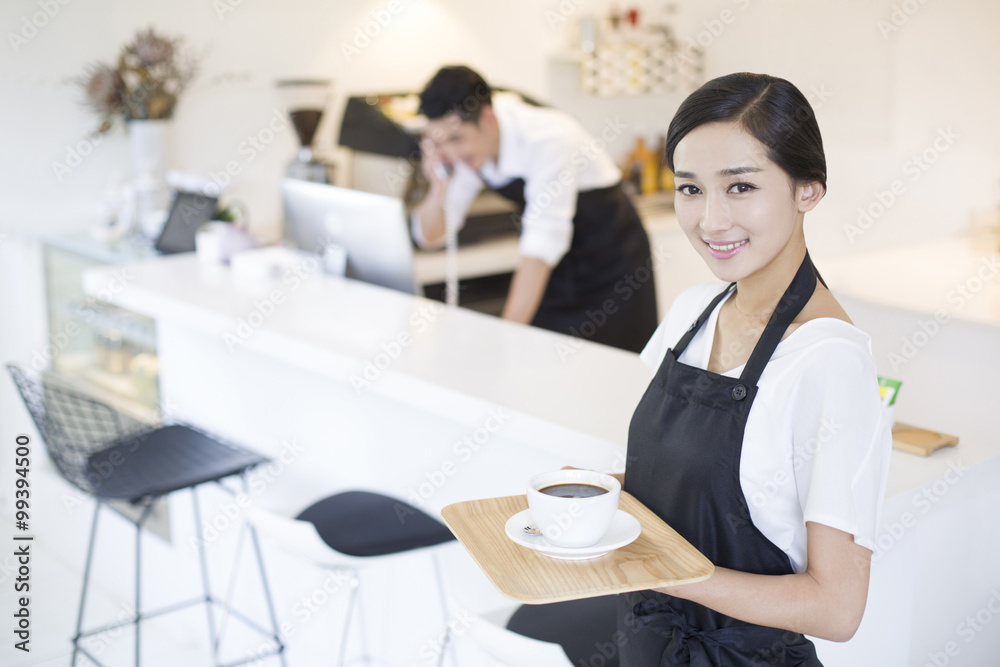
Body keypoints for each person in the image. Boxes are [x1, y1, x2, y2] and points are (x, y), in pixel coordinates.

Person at [614, 73, 893, 665]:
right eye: (689, 189)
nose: (711, 221)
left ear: (808, 189)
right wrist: (590, 503)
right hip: (648, 642)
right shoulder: (694, 311)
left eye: (740, 186)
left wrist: (663, 572)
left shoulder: (828, 363)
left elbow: (836, 609)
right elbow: (676, 489)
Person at [412, 65, 658, 353]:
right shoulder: (470, 148)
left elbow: (542, 244)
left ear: (488, 120)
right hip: (559, 265)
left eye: (456, 139)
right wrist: (438, 186)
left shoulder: (549, 138)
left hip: (610, 260)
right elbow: (430, 237)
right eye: (441, 141)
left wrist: (501, 345)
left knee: (612, 370)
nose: (452, 153)